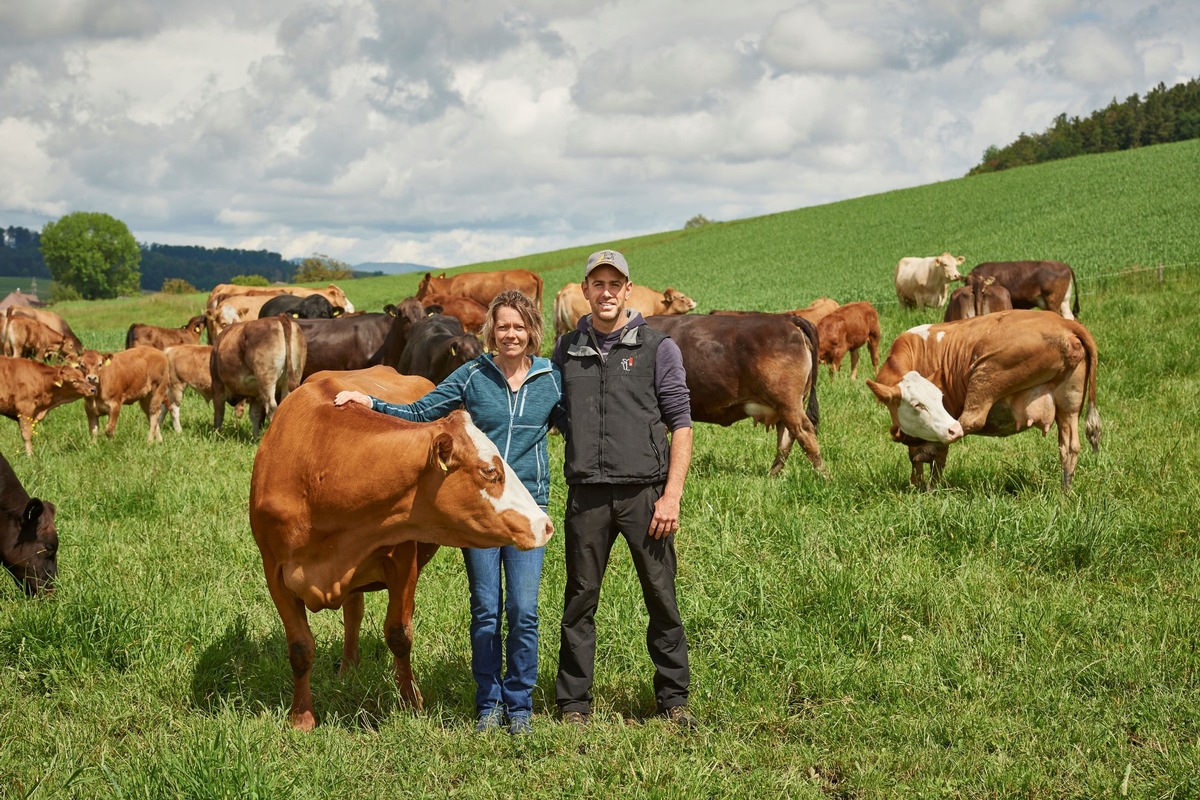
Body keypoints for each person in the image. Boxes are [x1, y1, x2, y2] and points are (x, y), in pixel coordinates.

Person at [334, 289, 564, 736]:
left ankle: (520, 704)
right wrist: (371, 404)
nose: (511, 334)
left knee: (523, 610)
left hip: (526, 505)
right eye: (503, 326)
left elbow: (582, 424)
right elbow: (421, 411)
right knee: (485, 609)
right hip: (479, 510)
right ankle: (489, 703)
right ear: (491, 331)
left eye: (519, 327)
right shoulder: (473, 375)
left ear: (532, 331)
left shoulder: (551, 379)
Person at [552, 249, 697, 728]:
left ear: (628, 289)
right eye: (598, 283)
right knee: (579, 601)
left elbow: (681, 423)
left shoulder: (658, 347)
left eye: (615, 284)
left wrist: (671, 496)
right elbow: (552, 412)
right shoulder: (567, 350)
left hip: (645, 496)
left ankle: (673, 700)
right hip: (587, 495)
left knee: (661, 596)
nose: (607, 292)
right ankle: (574, 704)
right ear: (585, 290)